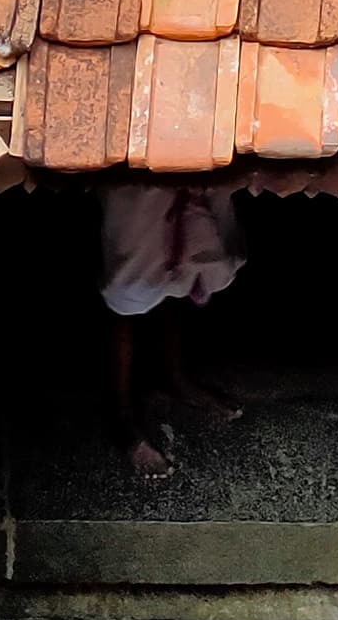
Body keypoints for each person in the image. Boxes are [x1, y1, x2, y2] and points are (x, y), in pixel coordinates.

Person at [99, 180, 245, 477]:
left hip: (190, 157)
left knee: (181, 264)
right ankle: (121, 413)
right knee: (129, 277)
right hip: (136, 170)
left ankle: (176, 378)